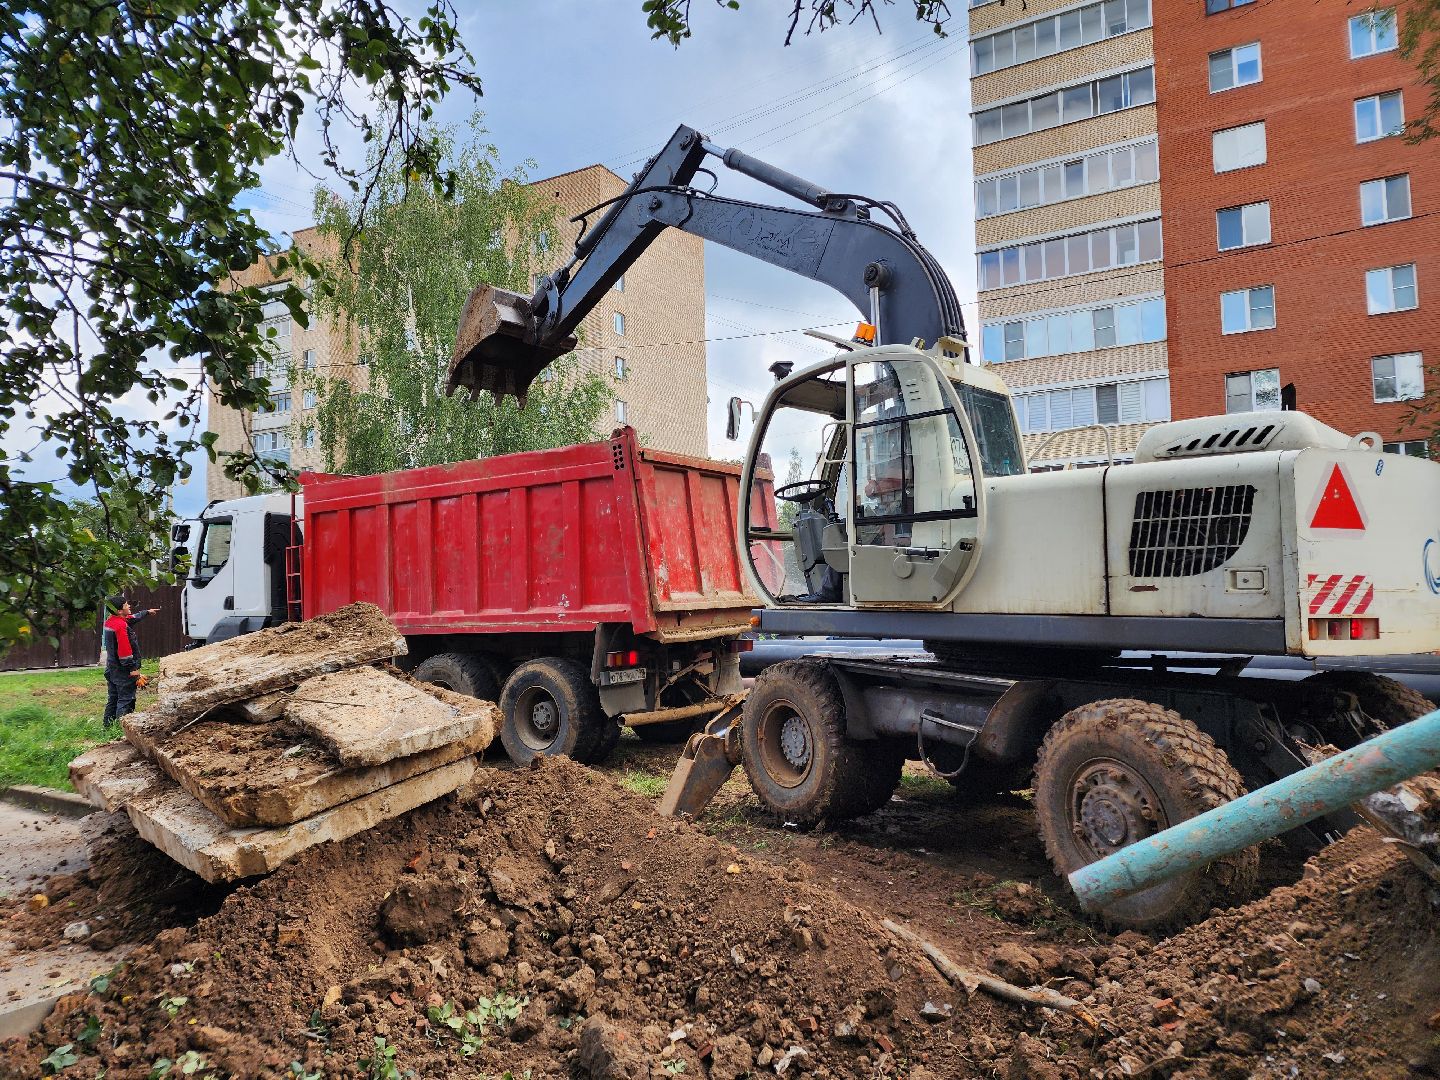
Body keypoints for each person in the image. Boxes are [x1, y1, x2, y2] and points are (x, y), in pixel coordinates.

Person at [102, 595, 160, 728]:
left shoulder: (111, 621)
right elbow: (124, 652)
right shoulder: (121, 626)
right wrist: (133, 670)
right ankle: (122, 730)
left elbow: (132, 618)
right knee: (126, 700)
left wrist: (146, 612)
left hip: (112, 669)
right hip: (123, 672)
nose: (129, 606)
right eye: (126, 605)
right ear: (119, 610)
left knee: (113, 699)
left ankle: (108, 728)